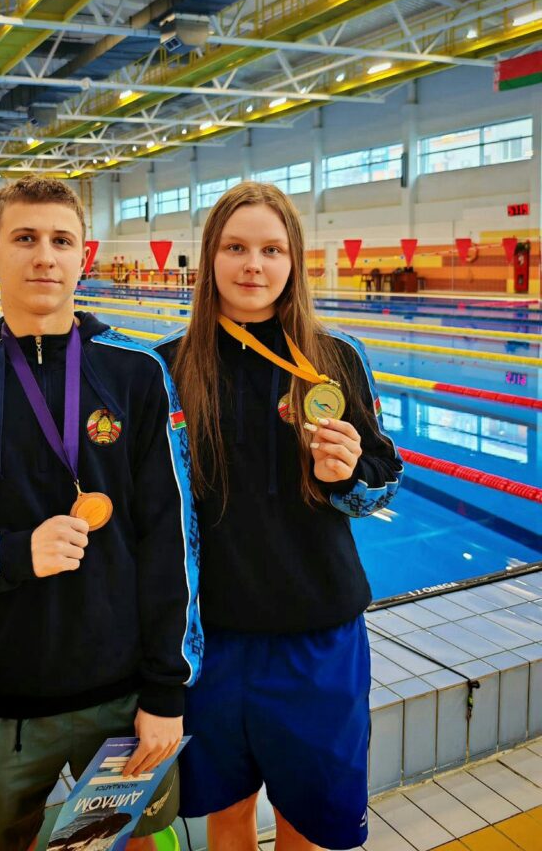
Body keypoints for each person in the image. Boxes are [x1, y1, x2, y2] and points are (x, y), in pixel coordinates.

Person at [0, 177, 202, 851]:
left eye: (62, 241)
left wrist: (167, 690)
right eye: (25, 238)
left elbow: (173, 539)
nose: (44, 257)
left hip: (122, 696)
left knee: (135, 845)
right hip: (2, 703)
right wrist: (10, 554)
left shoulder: (137, 375)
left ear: (84, 256)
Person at [154, 182, 403, 851]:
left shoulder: (335, 359)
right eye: (235, 248)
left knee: (305, 821)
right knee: (226, 814)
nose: (253, 266)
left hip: (317, 639)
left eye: (271, 249)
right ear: (210, 259)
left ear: (294, 261)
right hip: (212, 646)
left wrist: (346, 476)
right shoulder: (169, 367)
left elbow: (385, 483)